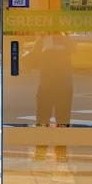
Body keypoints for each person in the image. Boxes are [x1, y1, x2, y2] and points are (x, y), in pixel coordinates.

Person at [31, 34, 73, 162]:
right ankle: (59, 154)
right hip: (62, 85)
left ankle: (41, 153)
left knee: (44, 119)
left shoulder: (44, 40)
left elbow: (32, 59)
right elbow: (74, 50)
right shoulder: (65, 40)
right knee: (61, 121)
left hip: (48, 85)